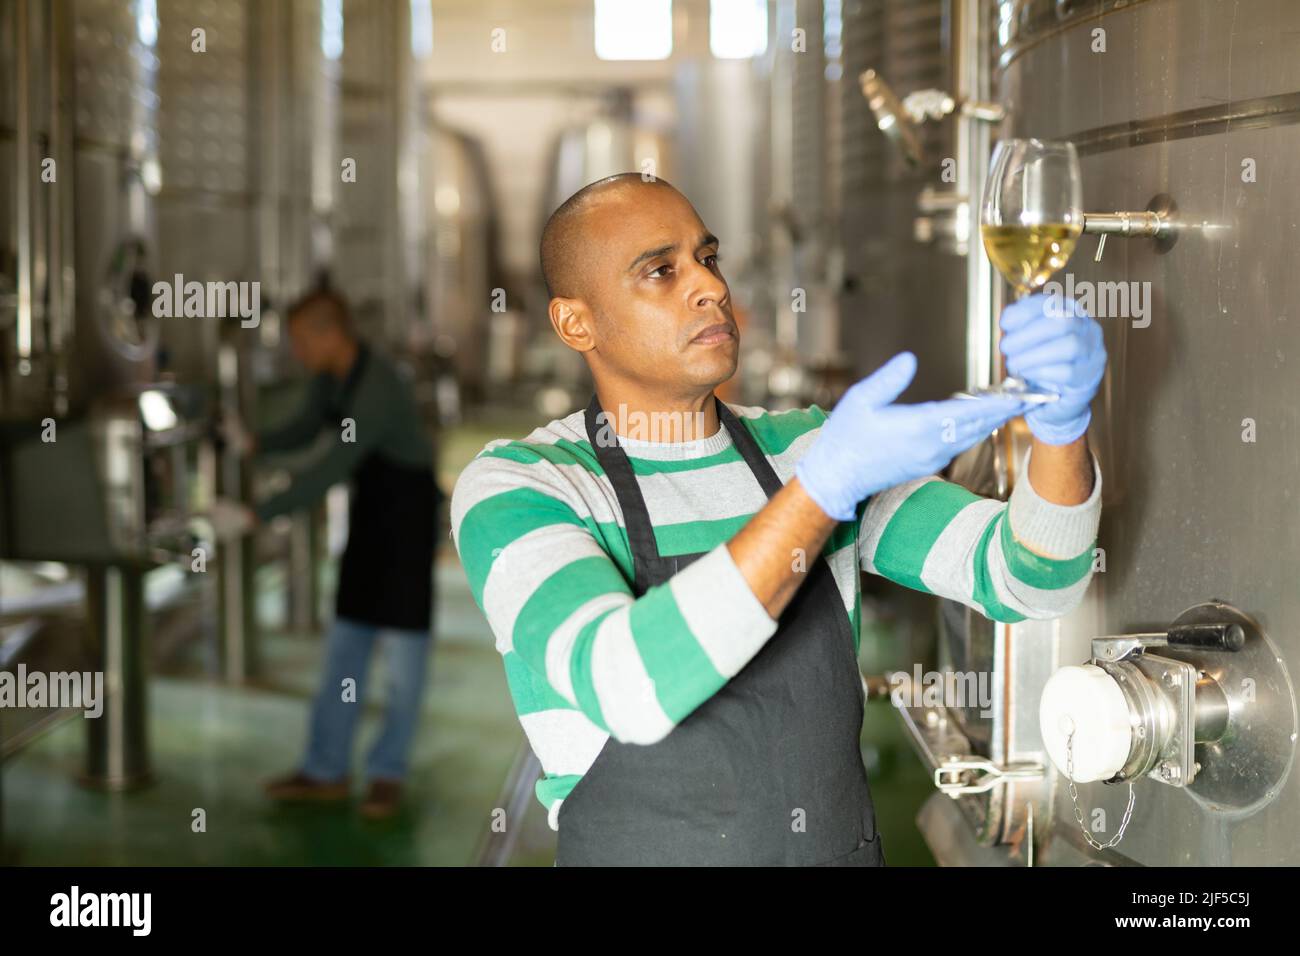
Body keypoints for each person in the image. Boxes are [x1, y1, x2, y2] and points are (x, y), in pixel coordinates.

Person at [450, 173, 1105, 866]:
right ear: (575, 322)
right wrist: (820, 495)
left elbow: (1032, 579)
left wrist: (1060, 428)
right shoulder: (523, 486)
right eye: (661, 271)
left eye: (707, 257)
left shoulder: (807, 448)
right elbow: (629, 686)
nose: (710, 288)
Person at [213, 287, 441, 820]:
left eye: (298, 341)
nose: (295, 353)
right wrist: (253, 443)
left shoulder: (378, 387)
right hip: (368, 520)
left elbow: (331, 466)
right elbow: (303, 428)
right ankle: (325, 769)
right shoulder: (330, 379)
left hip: (406, 523)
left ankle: (387, 773)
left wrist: (254, 516)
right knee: (346, 644)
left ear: (328, 333)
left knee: (405, 660)